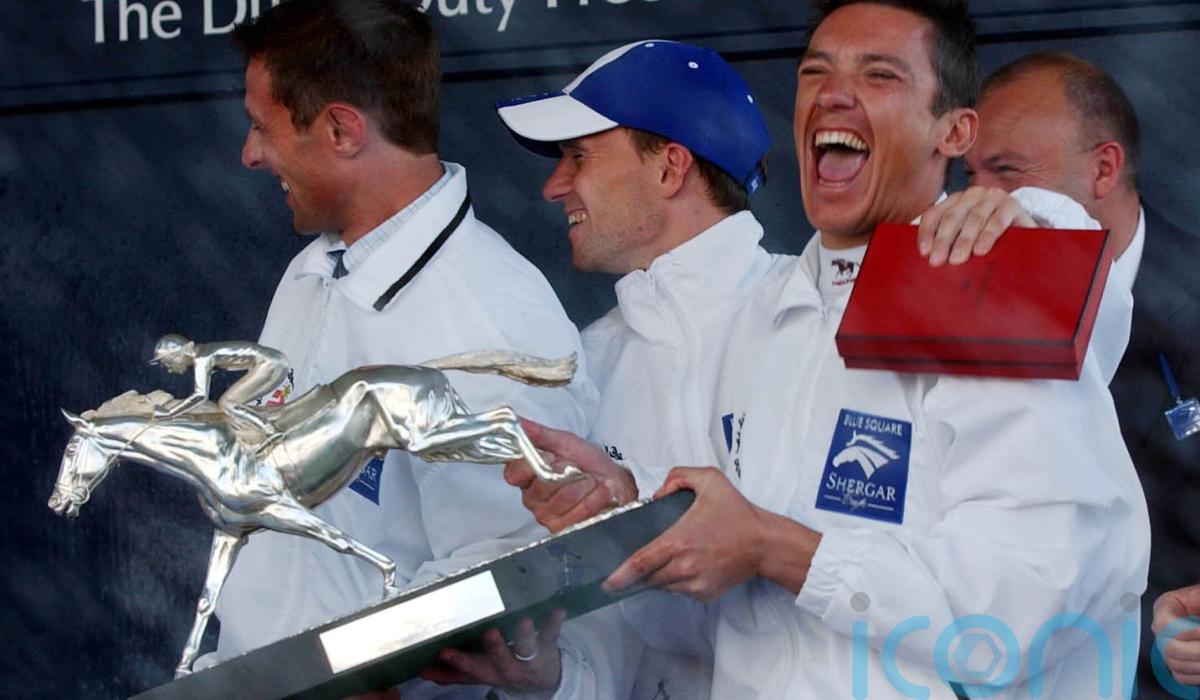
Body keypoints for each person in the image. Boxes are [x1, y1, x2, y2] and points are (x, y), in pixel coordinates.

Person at [504, 1, 1149, 698]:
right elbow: (725, 603)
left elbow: (1027, 605)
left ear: (955, 132)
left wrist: (779, 550)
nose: (834, 94)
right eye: (816, 72)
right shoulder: (756, 317)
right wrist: (627, 503)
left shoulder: (996, 289)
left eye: (879, 75)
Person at [203, 2, 596, 699]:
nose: (249, 154)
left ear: (341, 129)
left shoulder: (490, 321)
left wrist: (356, 671)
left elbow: (508, 582)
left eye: (263, 126)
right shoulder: (311, 271)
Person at [964, 52, 1200, 693]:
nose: (977, 199)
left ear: (1104, 169)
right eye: (970, 173)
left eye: (1006, 172)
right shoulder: (953, 317)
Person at [148, 334, 289, 441]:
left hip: (269, 363)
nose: (169, 370)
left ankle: (270, 431)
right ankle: (260, 427)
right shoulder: (204, 351)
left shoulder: (202, 358)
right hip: (273, 360)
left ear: (178, 355)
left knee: (227, 403)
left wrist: (170, 413)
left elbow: (200, 396)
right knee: (232, 404)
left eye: (168, 363)